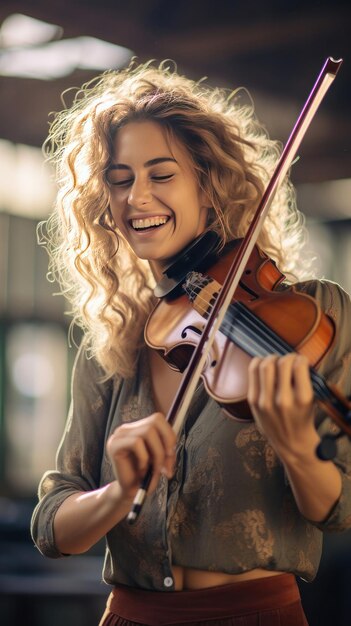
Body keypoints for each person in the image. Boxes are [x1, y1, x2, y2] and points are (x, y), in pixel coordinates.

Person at [31, 60, 351, 626]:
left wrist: (300, 447)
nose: (138, 198)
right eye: (120, 179)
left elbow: (342, 506)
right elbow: (52, 526)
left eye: (161, 174)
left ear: (208, 186)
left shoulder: (312, 313)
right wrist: (118, 492)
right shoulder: (113, 345)